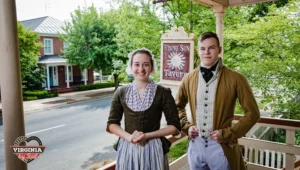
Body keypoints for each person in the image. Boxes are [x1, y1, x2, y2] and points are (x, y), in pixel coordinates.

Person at [175, 32, 260, 170]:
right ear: (198, 51)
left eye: (211, 48)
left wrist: (228, 134)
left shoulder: (236, 78)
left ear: (219, 50)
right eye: (202, 48)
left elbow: (253, 113)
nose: (206, 52)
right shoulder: (188, 78)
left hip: (221, 147)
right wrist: (186, 126)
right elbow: (177, 107)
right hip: (196, 146)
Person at [106, 48, 181, 170]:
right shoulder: (121, 92)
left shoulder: (163, 92)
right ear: (131, 67)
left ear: (151, 67)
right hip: (128, 148)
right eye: (136, 64)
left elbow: (175, 126)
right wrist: (129, 137)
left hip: (153, 149)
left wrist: (147, 135)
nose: (141, 69)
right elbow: (112, 124)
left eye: (146, 64)